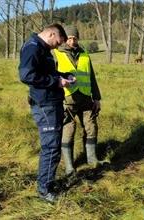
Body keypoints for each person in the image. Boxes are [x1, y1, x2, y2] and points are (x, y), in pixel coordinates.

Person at [18, 23, 69, 203]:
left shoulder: (43, 48)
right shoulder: (33, 47)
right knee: (51, 147)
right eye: (57, 42)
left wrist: (63, 75)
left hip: (52, 103)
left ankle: (48, 182)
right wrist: (56, 83)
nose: (57, 46)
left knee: (53, 146)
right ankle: (44, 190)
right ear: (51, 34)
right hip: (44, 104)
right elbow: (26, 75)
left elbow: (46, 72)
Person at [53, 26, 102, 179]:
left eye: (75, 38)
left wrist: (97, 98)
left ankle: (92, 159)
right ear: (64, 38)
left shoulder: (85, 55)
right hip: (67, 100)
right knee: (69, 130)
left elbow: (91, 77)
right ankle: (69, 166)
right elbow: (52, 77)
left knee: (91, 127)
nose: (72, 41)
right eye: (69, 38)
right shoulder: (56, 54)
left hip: (86, 98)